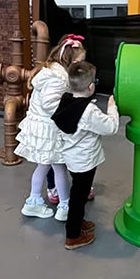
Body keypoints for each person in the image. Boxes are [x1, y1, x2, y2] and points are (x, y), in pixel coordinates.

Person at [15, 34, 86, 221]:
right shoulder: (58, 78)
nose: (80, 65)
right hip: (50, 129)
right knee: (59, 166)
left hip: (42, 127)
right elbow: (50, 104)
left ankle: (35, 200)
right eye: (79, 61)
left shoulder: (50, 71)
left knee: (44, 166)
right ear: (68, 59)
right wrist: (70, 110)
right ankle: (64, 206)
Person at [52, 61, 119, 250]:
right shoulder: (88, 111)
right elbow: (111, 127)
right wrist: (112, 107)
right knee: (78, 196)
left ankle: (78, 222)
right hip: (85, 161)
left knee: (78, 193)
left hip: (73, 158)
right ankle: (72, 236)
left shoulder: (66, 99)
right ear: (91, 87)